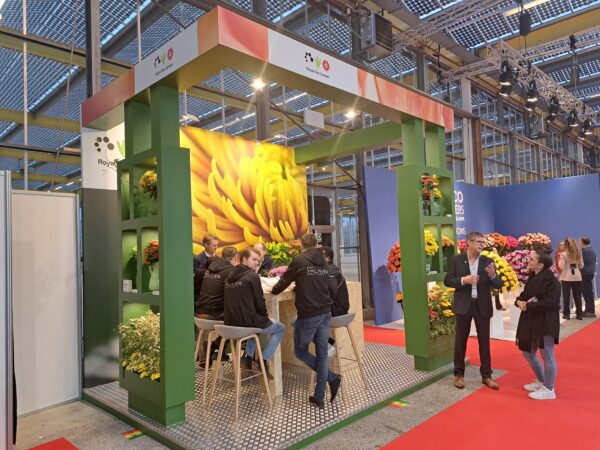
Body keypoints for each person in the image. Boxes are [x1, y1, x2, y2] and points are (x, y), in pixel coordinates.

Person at [271, 234, 341, 409]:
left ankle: (332, 378)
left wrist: (274, 291)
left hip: (309, 314)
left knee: (300, 351)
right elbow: (322, 284)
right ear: (316, 245)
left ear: (301, 246)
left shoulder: (299, 261)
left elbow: (284, 281)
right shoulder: (323, 261)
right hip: (325, 311)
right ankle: (320, 396)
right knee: (322, 354)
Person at [444, 231, 502, 390]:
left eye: (483, 242)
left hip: (482, 305)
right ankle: (459, 375)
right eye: (479, 242)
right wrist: (464, 280)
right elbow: (448, 281)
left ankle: (487, 376)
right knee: (460, 341)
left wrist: (493, 276)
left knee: (484, 342)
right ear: (469, 242)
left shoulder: (488, 261)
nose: (482, 245)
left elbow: (498, 284)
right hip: (463, 305)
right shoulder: (456, 259)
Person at [224, 247, 284, 380]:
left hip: (230, 323)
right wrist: (264, 316)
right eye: (254, 259)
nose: (257, 263)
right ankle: (262, 360)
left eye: (258, 260)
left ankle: (248, 357)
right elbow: (260, 302)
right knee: (280, 328)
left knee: (257, 321)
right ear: (244, 259)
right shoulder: (252, 276)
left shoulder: (228, 275)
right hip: (246, 324)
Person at [515, 251, 561, 400]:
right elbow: (524, 295)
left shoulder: (552, 281)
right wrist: (519, 302)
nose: (528, 260)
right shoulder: (532, 277)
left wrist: (529, 305)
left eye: (532, 259)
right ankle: (542, 381)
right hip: (530, 320)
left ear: (540, 265)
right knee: (527, 352)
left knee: (547, 353)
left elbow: (550, 302)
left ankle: (549, 389)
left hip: (545, 321)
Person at [196, 247, 238, 320]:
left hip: (200, 310)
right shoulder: (230, 271)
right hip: (215, 313)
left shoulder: (209, 269)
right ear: (235, 258)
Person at [558, 237, 584, 320]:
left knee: (566, 296)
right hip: (577, 276)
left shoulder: (563, 254)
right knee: (577, 296)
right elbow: (581, 266)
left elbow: (561, 266)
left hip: (566, 277)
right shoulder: (579, 253)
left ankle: (566, 314)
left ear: (566, 245)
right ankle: (579, 314)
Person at [321, 246, 349, 317]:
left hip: (337, 310)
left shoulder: (330, 270)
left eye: (320, 256)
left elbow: (332, 290)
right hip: (336, 308)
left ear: (327, 258)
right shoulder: (329, 268)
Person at [579, 237, 597, 318]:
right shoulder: (590, 250)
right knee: (586, 292)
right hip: (588, 273)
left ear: (582, 242)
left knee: (588, 292)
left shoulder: (586, 251)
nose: (579, 243)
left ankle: (590, 311)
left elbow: (580, 262)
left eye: (579, 242)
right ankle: (588, 310)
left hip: (586, 273)